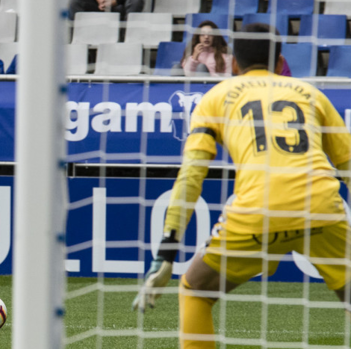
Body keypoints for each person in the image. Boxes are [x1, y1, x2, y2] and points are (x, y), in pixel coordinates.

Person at [133, 23, 351, 348]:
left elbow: (191, 175)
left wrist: (166, 251)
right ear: (280, 63)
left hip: (255, 209)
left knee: (196, 290)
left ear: (234, 64)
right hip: (318, 206)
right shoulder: (312, 94)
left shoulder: (215, 97)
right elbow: (347, 166)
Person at [68, 0, 144, 21]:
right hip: (97, 6)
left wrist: (115, 2)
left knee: (136, 1)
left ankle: (128, 37)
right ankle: (81, 40)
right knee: (76, 3)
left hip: (121, 6)